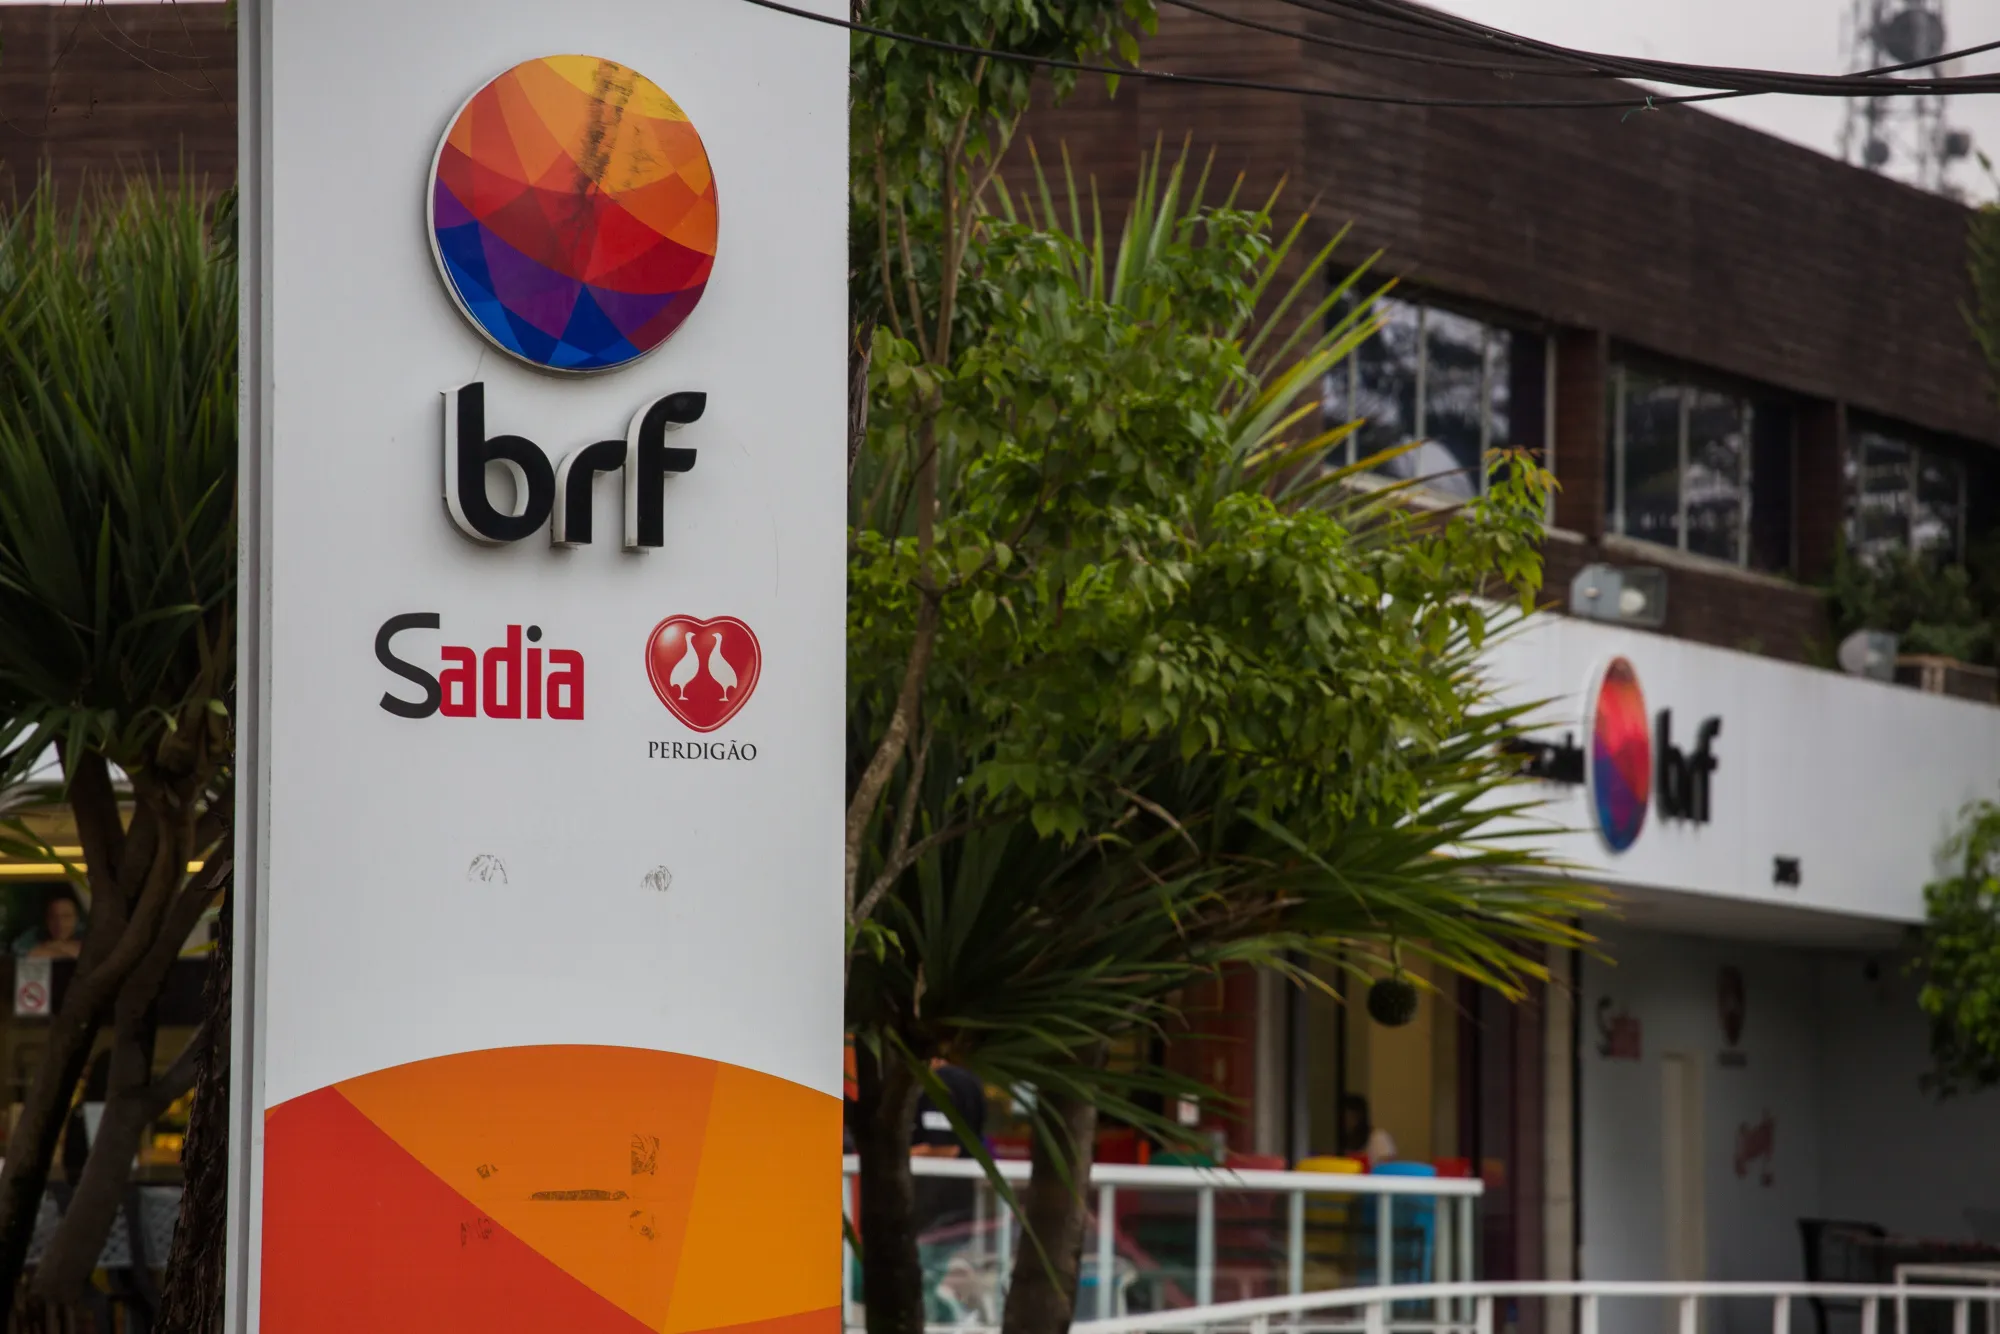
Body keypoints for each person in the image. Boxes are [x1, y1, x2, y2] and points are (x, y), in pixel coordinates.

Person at [13, 888, 85, 960]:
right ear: (46, 919)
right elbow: (19, 952)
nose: (59, 923)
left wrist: (50, 947)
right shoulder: (35, 934)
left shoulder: (87, 933)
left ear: (76, 918)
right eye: (53, 917)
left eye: (66, 916)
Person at [1336, 1093, 1398, 1167]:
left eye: (1350, 1115)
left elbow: (1388, 1169)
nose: (1347, 1120)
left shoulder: (1379, 1137)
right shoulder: (1346, 1140)